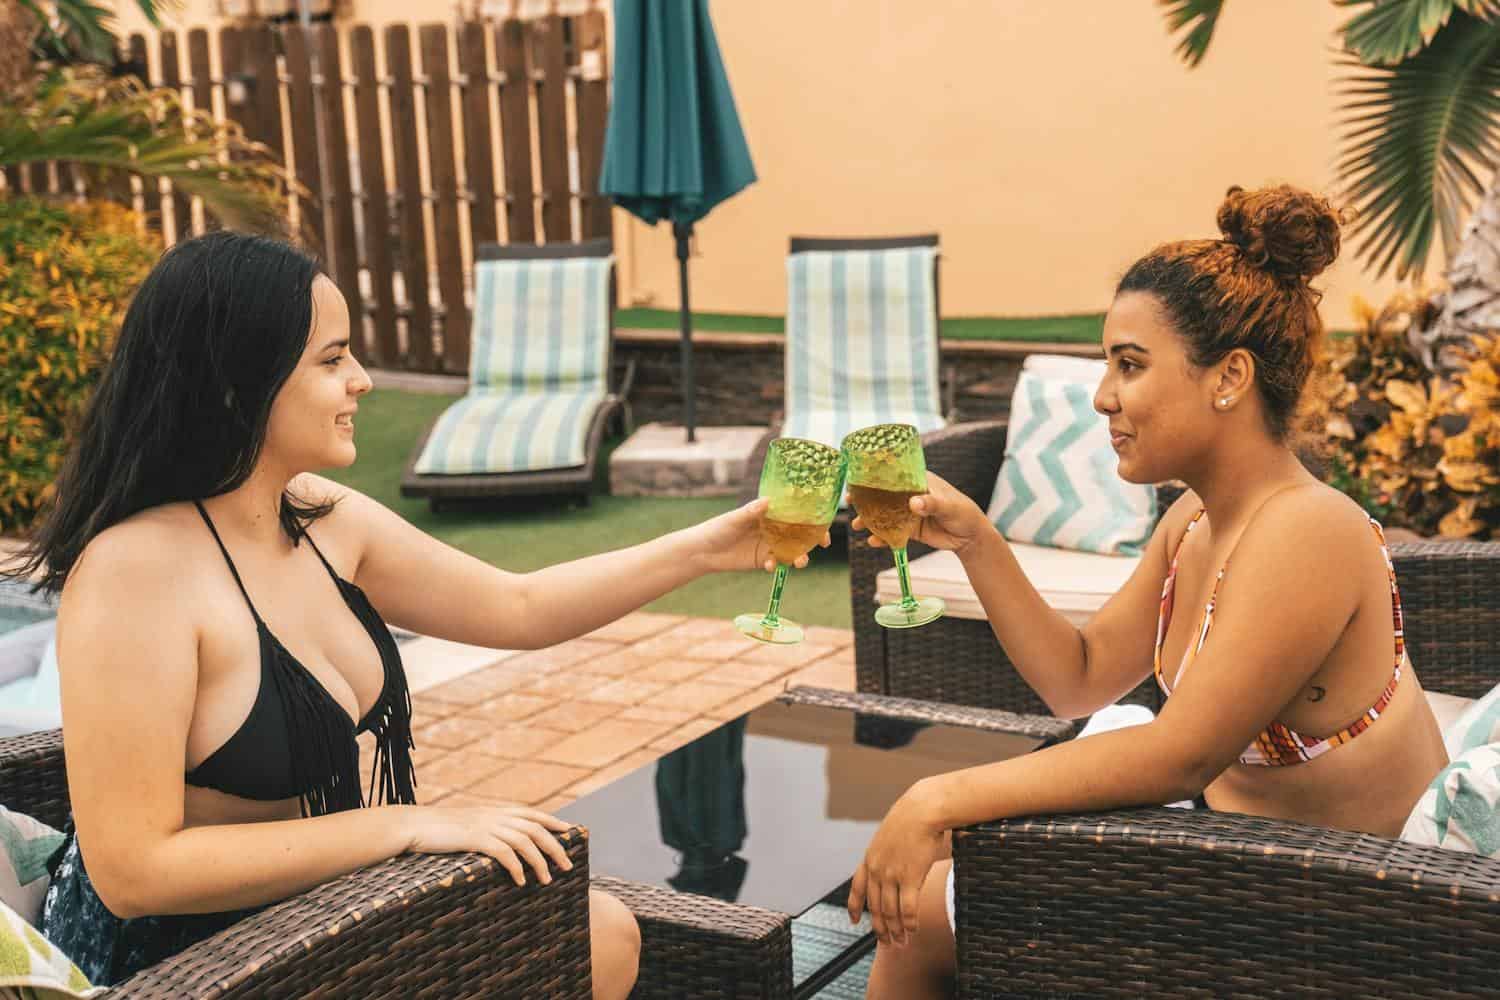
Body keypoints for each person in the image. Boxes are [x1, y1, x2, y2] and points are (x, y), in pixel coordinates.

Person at [11, 231, 814, 995]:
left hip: (309, 905)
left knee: (599, 936)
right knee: (590, 941)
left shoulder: (320, 517)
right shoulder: (135, 573)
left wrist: (710, 548)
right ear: (235, 384)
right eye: (333, 360)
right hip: (182, 961)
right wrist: (399, 827)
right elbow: (133, 870)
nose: (361, 379)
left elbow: (519, 605)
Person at [849, 185, 1450, 999]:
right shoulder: (1196, 521)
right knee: (943, 899)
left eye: (1129, 364)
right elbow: (1080, 674)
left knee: (929, 906)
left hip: (1352, 925)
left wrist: (934, 797)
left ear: (1229, 377)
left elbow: (1182, 755)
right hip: (1239, 876)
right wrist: (974, 540)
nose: (1103, 395)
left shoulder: (1311, 529)